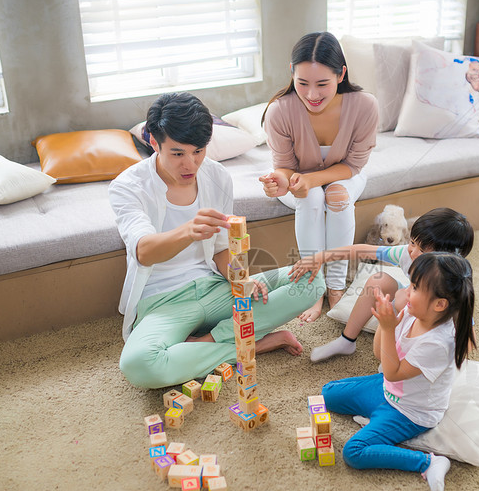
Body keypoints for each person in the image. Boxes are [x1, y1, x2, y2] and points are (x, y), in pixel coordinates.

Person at [108, 92, 325, 389]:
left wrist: (242, 281)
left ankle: (212, 340)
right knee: (139, 365)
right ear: (154, 143)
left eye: (199, 151)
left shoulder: (216, 175)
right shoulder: (128, 186)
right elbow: (143, 252)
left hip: (215, 287)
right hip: (163, 301)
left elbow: (223, 249)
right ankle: (255, 343)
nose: (191, 164)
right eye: (178, 153)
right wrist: (188, 230)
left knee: (313, 280)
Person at [320, 252, 476, 491]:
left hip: (410, 412)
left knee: (354, 452)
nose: (407, 290)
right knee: (327, 394)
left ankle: (428, 462)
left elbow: (392, 373)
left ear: (439, 304)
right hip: (387, 390)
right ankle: (374, 418)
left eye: (414, 287)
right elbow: (380, 357)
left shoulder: (438, 343)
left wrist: (389, 326)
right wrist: (387, 321)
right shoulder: (414, 313)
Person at [260, 31, 379, 323]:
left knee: (335, 194)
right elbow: (286, 167)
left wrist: (313, 179)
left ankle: (336, 287)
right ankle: (312, 289)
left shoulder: (365, 105)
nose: (312, 94)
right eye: (302, 83)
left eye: (322, 84)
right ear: (292, 73)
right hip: (301, 184)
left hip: (347, 175)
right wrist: (279, 182)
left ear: (341, 75)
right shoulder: (280, 111)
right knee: (312, 196)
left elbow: (354, 164)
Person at [288, 207, 473, 362]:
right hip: (413, 302)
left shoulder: (453, 280)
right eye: (412, 243)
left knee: (403, 301)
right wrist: (320, 257)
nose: (413, 252)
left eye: (423, 250)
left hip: (432, 317)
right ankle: (346, 340)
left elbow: (465, 324)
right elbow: (362, 250)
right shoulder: (406, 254)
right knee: (379, 280)